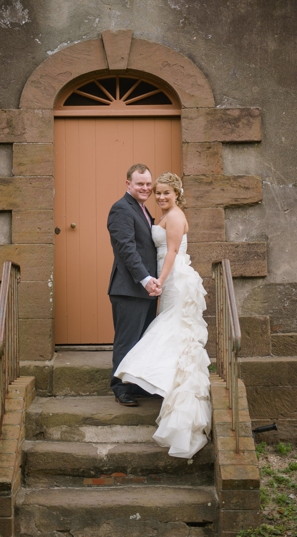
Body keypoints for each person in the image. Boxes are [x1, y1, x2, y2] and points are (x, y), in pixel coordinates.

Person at [115, 172, 212, 459]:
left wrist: (159, 280)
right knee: (171, 328)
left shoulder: (175, 216)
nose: (160, 197)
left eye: (166, 193)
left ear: (177, 193)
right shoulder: (160, 214)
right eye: (157, 192)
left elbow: (170, 252)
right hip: (165, 279)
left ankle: (167, 383)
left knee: (174, 327)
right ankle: (162, 380)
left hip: (172, 277)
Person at [107, 163, 162, 408]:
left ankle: (137, 385)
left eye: (149, 184)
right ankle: (120, 388)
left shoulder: (142, 209)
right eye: (140, 183)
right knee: (127, 341)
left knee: (142, 341)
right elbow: (127, 250)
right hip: (129, 289)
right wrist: (146, 279)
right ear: (128, 184)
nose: (146, 188)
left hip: (146, 291)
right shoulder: (121, 209)